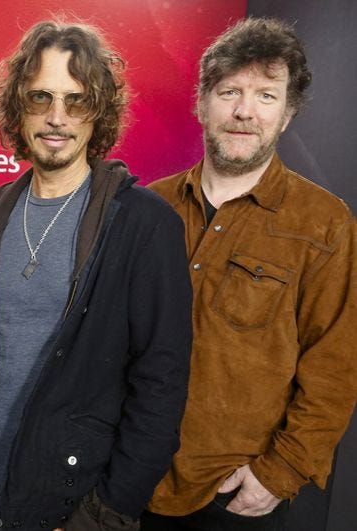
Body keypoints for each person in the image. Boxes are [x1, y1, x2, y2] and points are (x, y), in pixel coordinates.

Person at [0, 19, 193, 531]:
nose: (56, 117)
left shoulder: (144, 225)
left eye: (77, 100)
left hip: (71, 508)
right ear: (16, 107)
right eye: (39, 97)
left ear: (100, 112)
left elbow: (161, 389)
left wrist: (105, 514)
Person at [142, 17, 357, 531]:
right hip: (131, 481)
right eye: (229, 91)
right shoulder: (147, 207)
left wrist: (280, 473)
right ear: (201, 103)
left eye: (266, 95)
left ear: (287, 114)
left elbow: (334, 367)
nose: (244, 111)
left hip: (232, 493)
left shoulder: (324, 222)